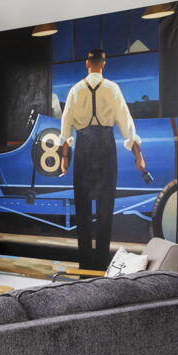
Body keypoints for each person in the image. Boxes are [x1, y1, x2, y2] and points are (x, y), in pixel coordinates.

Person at [59, 49, 150, 270]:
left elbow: (65, 126)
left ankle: (85, 264)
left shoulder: (75, 90)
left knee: (81, 206)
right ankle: (101, 263)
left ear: (87, 64)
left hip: (83, 147)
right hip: (105, 145)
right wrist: (138, 156)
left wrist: (64, 157)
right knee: (105, 206)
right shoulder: (113, 89)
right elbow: (127, 125)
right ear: (104, 64)